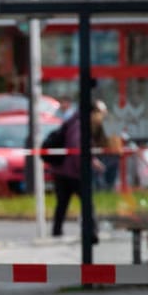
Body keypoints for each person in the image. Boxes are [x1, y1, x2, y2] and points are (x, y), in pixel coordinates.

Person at [42, 99, 107, 237]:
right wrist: (84, 168)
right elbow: (78, 148)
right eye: (100, 113)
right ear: (93, 113)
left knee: (62, 204)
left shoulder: (75, 121)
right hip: (72, 172)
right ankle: (92, 231)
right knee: (86, 203)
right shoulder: (80, 125)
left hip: (63, 170)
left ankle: (57, 231)